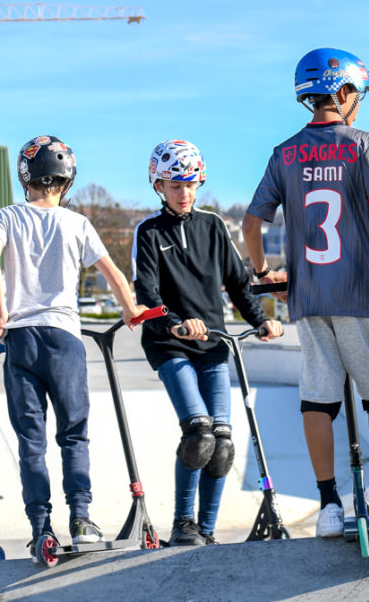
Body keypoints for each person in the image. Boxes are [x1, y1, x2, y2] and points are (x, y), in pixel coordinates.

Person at [243, 47, 369, 539]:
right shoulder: (364, 144)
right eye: (355, 93)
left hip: (310, 295)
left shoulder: (285, 152)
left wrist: (263, 269)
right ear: (342, 92)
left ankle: (328, 508)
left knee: (317, 399)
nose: (357, 101)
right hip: (361, 291)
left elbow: (253, 221)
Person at [0, 135, 147, 562]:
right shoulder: (78, 224)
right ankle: (81, 517)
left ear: (26, 176)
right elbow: (112, 272)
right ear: (67, 179)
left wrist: (2, 313)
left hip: (21, 338)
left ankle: (41, 529)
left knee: (31, 441)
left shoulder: (8, 215)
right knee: (74, 434)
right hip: (64, 338)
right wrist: (130, 311)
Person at [133, 140, 282, 546]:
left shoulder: (214, 226)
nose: (184, 192)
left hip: (213, 345)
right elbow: (146, 293)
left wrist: (262, 320)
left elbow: (238, 282)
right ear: (158, 185)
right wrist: (177, 324)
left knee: (222, 443)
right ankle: (183, 526)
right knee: (198, 433)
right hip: (170, 345)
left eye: (190, 183)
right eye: (174, 185)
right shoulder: (148, 232)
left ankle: (208, 532)